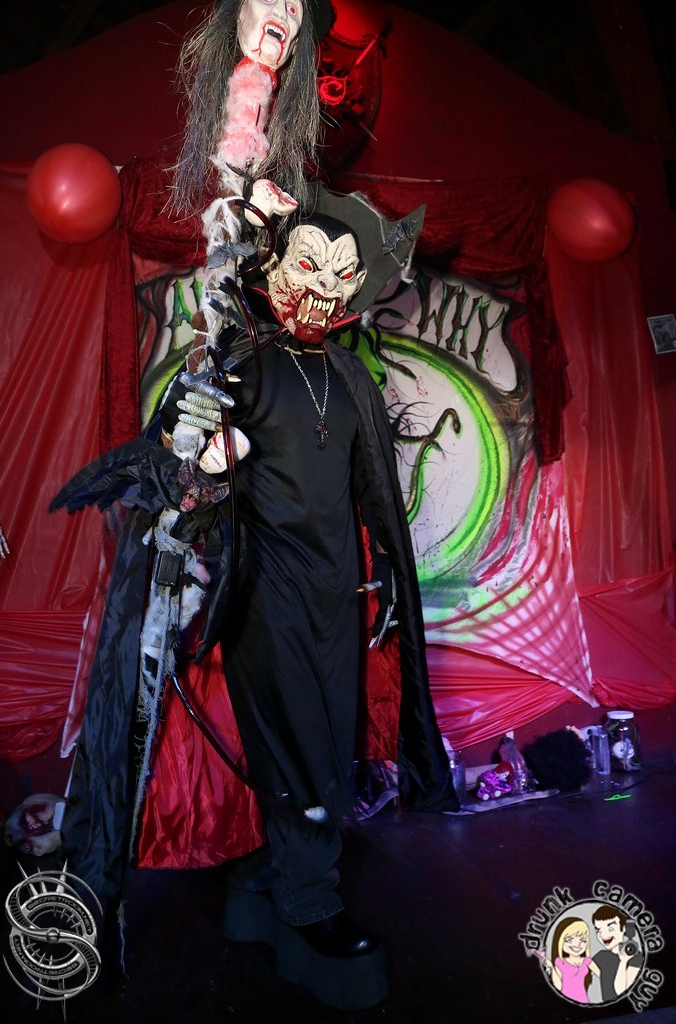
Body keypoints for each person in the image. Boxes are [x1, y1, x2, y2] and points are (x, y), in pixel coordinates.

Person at [52, 184, 457, 1010]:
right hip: (264, 595)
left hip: (337, 596)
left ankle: (276, 874)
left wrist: (384, 575)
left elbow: (370, 493)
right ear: (273, 267)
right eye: (309, 263)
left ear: (358, 285)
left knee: (327, 745)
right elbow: (175, 471)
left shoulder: (349, 375)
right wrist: (200, 463)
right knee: (300, 746)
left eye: (341, 272)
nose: (323, 285)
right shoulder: (236, 363)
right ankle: (309, 902)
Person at [542, 917, 600, 1004]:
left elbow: (603, 976)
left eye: (583, 940)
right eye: (569, 940)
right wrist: (551, 967)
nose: (577, 944)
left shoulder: (587, 961)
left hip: (583, 1001)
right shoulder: (560, 962)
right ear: (560, 941)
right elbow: (558, 986)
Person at [592, 905, 643, 1002]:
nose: (603, 935)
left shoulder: (636, 957)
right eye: (598, 930)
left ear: (623, 929)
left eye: (610, 929)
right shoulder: (601, 956)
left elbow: (620, 991)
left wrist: (623, 961)